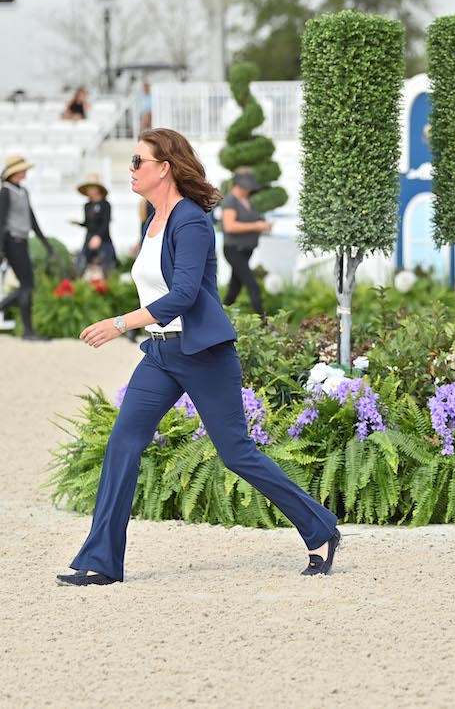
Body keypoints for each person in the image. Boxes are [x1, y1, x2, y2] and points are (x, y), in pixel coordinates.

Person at [56, 129, 340, 587]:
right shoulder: (150, 221)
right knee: (123, 443)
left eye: (137, 161)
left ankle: (320, 528)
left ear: (164, 167)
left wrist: (120, 323)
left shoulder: (190, 221)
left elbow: (184, 294)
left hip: (203, 355)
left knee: (236, 454)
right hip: (161, 354)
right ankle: (101, 561)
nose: (130, 169)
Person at [0, 154, 53, 341]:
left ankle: (26, 329)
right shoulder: (5, 191)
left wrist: (45, 243)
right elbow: (1, 221)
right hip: (11, 242)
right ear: (15, 172)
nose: (26, 172)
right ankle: (28, 332)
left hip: (22, 242)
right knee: (27, 285)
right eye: (23, 169)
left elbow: (32, 220)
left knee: (27, 285)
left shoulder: (23, 191)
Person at [220, 167, 271, 319]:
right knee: (253, 286)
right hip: (234, 250)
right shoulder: (230, 201)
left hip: (246, 250)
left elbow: (250, 220)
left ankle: (220, 319)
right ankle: (264, 324)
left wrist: (262, 224)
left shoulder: (248, 201)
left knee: (233, 290)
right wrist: (256, 226)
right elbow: (230, 226)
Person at [71, 174, 116, 276]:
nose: (89, 190)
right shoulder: (87, 206)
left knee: (105, 269)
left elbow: (105, 224)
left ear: (97, 189)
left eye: (91, 187)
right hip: (89, 239)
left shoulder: (105, 205)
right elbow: (88, 224)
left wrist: (98, 237)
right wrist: (79, 223)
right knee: (81, 265)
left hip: (103, 240)